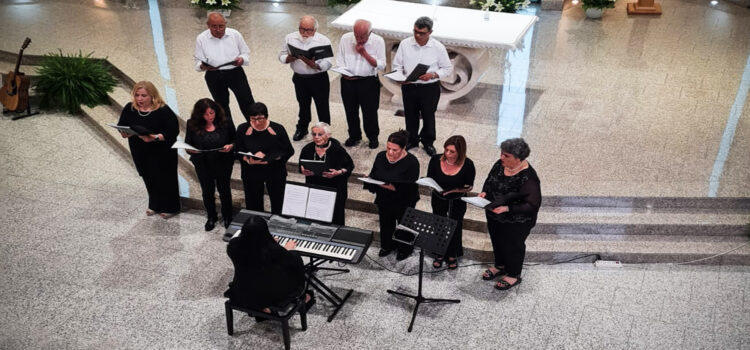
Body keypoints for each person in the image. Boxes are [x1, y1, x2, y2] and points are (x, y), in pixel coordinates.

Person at [478, 138, 541, 291]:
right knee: (497, 240)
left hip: (517, 220)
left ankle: (513, 274)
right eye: (502, 154)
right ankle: (500, 266)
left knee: (513, 245)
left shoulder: (529, 177)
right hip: (494, 213)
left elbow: (532, 205)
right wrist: (484, 192)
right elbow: (489, 180)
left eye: (506, 156)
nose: (501, 158)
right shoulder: (500, 164)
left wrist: (507, 209)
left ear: (518, 159)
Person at [117, 81, 180, 219]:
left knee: (165, 178)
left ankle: (171, 206)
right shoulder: (130, 108)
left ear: (152, 96)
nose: (139, 99)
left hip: (161, 150)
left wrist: (155, 138)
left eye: (144, 96)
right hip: (139, 149)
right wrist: (124, 132)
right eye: (137, 95)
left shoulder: (163, 110)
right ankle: (155, 204)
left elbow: (173, 131)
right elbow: (122, 125)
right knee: (147, 175)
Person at [392, 16, 452, 157]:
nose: (417, 36)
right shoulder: (405, 44)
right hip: (409, 86)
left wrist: (432, 75)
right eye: (415, 32)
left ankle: (428, 142)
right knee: (410, 115)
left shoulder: (438, 47)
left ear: (430, 32)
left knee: (428, 116)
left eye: (422, 33)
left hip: (429, 88)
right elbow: (397, 65)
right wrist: (400, 77)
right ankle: (411, 140)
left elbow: (447, 69)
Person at [226, 216, 314, 314]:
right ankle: (304, 297)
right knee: (296, 267)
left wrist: (268, 244)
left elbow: (252, 250)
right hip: (271, 296)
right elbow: (294, 264)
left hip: (242, 288)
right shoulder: (275, 252)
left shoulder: (233, 246)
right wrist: (290, 250)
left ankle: (261, 308)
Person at [364, 130, 420, 261]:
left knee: (404, 224)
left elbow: (409, 185)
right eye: (388, 148)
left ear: (403, 148)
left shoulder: (412, 162)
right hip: (384, 198)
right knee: (386, 223)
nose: (390, 152)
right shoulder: (380, 156)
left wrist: (387, 185)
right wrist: (370, 179)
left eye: (395, 150)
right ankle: (387, 246)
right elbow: (375, 173)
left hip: (404, 199)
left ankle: (404, 249)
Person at [279, 15, 333, 141]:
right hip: (300, 78)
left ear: (315, 30)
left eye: (308, 30)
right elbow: (281, 55)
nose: (304, 33)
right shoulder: (290, 38)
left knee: (322, 106)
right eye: (302, 29)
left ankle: (325, 132)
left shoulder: (324, 41)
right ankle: (302, 128)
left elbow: (328, 62)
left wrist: (315, 65)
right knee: (303, 105)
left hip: (318, 79)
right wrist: (289, 58)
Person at [194, 12, 254, 125]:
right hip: (214, 75)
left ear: (225, 24)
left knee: (247, 101)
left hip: (235, 72)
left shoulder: (235, 34)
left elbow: (245, 53)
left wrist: (241, 59)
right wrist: (202, 66)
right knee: (221, 106)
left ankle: (255, 127)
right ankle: (230, 134)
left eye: (221, 26)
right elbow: (198, 61)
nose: (218, 29)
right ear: (208, 25)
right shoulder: (201, 38)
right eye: (214, 26)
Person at [185, 98, 236, 231]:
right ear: (199, 114)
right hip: (203, 163)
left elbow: (236, 140)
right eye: (206, 114)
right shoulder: (192, 124)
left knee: (224, 190)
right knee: (207, 192)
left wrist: (231, 146)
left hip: (223, 162)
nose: (209, 117)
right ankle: (211, 217)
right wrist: (191, 149)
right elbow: (187, 143)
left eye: (212, 113)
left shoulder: (226, 122)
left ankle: (227, 216)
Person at [235, 102, 294, 214]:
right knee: (253, 203)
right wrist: (248, 160)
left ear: (266, 116)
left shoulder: (277, 128)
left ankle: (277, 223)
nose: (257, 122)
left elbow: (289, 151)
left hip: (274, 170)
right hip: (252, 171)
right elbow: (238, 151)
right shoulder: (243, 129)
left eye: (260, 119)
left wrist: (272, 158)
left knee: (278, 201)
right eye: (253, 119)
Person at [335, 19, 386, 149]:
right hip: (348, 81)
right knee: (350, 110)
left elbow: (381, 64)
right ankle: (354, 135)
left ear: (370, 33)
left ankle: (372, 137)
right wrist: (343, 72)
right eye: (356, 35)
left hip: (368, 82)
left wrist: (363, 53)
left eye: (362, 36)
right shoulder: (345, 38)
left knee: (370, 111)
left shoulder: (378, 41)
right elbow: (340, 59)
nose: (358, 39)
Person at [426, 135, 475, 270]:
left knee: (455, 226)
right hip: (438, 197)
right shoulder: (436, 159)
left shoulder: (468, 164)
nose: (447, 154)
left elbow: (469, 186)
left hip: (456, 200)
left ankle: (453, 254)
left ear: (460, 152)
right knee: (439, 224)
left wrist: (455, 190)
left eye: (452, 152)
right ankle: (440, 252)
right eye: (446, 150)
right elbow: (430, 177)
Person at [299, 122, 354, 225]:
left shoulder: (337, 150)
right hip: (315, 188)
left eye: (320, 134)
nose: (316, 137)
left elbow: (349, 166)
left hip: (335, 189)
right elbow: (301, 165)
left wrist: (339, 172)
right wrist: (303, 170)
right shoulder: (307, 149)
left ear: (328, 135)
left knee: (335, 219)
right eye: (314, 134)